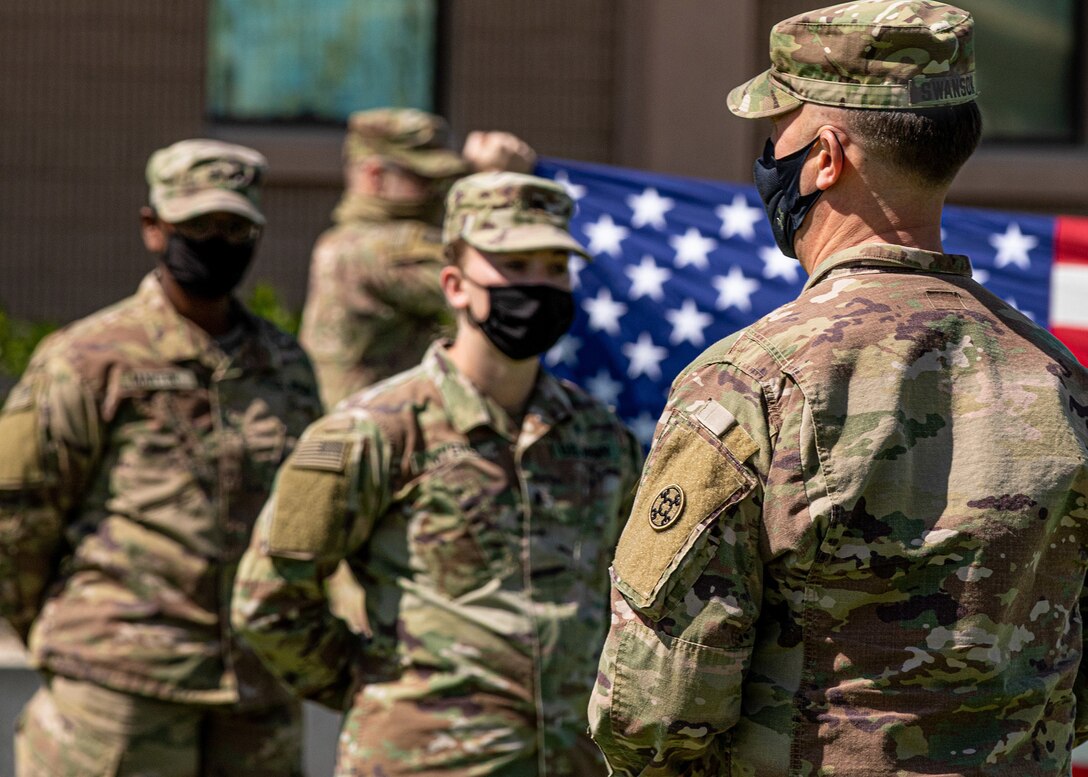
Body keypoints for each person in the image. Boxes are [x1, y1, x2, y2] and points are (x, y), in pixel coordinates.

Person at [589, 2, 1088, 775]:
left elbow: (655, 709)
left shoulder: (748, 384)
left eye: (778, 132)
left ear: (825, 157)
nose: (766, 155)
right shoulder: (1061, 382)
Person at [232, 171, 643, 776]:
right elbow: (267, 599)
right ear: (454, 284)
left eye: (554, 268)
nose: (538, 285)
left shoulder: (598, 437)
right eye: (514, 264)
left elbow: (630, 596)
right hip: (420, 760)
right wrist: (372, 689)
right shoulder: (373, 431)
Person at [0, 139, 322, 776]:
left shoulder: (286, 365)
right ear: (154, 228)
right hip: (118, 690)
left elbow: (306, 518)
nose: (218, 240)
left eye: (235, 227)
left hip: (256, 693)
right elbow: (17, 518)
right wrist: (69, 631)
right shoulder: (86, 358)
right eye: (198, 226)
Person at [299, 107, 537, 411]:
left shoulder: (345, 239)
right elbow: (499, 285)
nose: (438, 192)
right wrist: (497, 185)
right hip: (384, 436)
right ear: (376, 177)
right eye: (425, 179)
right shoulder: (380, 248)